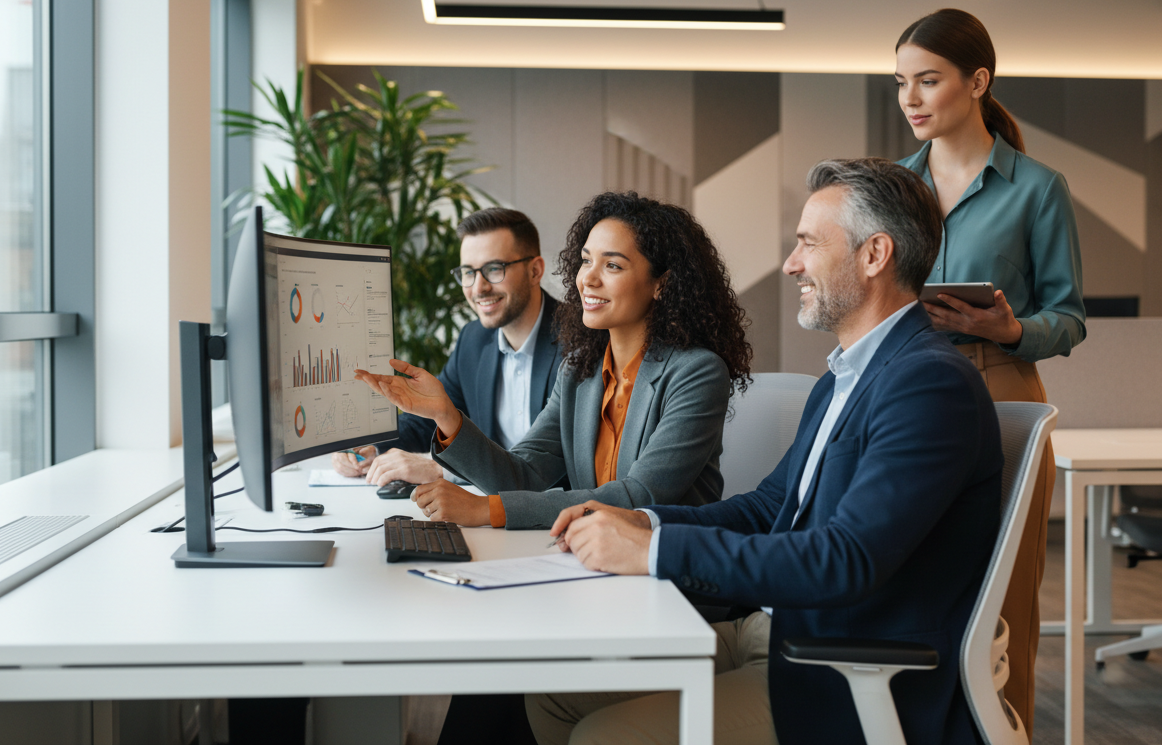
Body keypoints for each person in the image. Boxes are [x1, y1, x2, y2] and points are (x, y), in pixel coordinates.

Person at [528, 159, 1004, 745]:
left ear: (874, 255)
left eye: (808, 244)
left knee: (608, 736)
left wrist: (656, 551)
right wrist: (641, 519)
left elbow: (845, 559)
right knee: (547, 693)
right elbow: (767, 508)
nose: (791, 263)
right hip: (774, 630)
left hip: (843, 665)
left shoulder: (929, 384)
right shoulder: (843, 378)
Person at [894, 7, 1085, 737]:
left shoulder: (1038, 189)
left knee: (1006, 599)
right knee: (914, 578)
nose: (911, 98)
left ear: (977, 82)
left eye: (929, 80)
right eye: (902, 83)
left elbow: (1069, 317)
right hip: (909, 391)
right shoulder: (892, 189)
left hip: (1001, 392)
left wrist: (1012, 329)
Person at [354, 191, 752, 529]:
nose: (587, 279)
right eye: (585, 260)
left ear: (662, 284)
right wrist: (446, 416)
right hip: (588, 564)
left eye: (612, 265)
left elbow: (638, 495)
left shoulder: (697, 373)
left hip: (667, 580)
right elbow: (523, 473)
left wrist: (485, 509)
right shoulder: (580, 369)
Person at [330, 207, 561, 489]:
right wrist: (370, 445)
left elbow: (554, 469)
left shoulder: (580, 343)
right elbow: (432, 416)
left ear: (535, 270)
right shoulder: (473, 340)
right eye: (468, 272)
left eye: (493, 269)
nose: (478, 288)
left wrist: (442, 470)